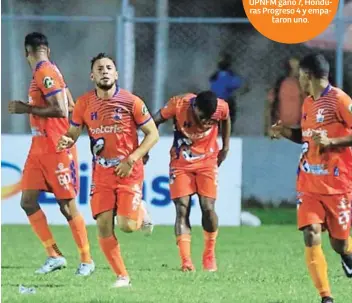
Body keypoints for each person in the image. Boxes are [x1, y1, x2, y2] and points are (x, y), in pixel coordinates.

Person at [57, 53, 159, 287]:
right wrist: (67, 140)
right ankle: (122, 277)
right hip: (101, 172)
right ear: (92, 75)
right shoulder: (83, 103)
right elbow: (74, 131)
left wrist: (132, 159)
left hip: (128, 170)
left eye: (109, 67)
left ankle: (140, 212)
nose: (104, 71)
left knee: (127, 226)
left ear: (116, 74)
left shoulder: (131, 101)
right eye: (99, 68)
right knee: (103, 225)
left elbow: (153, 134)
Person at [7, 32, 95, 276]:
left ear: (27, 53)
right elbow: (71, 102)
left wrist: (26, 108)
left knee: (66, 206)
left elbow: (60, 109)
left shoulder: (44, 72)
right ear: (47, 50)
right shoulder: (51, 70)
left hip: (56, 148)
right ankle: (54, 255)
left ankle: (87, 260)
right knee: (27, 202)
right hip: (39, 148)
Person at [271, 53, 352, 303]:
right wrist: (284, 131)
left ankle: (347, 255)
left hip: (338, 184)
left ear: (308, 75)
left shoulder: (339, 100)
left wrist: (332, 141)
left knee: (339, 243)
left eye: (300, 76)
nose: (299, 81)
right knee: (311, 232)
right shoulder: (308, 103)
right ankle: (326, 297)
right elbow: (305, 137)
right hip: (308, 182)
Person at [145, 91, 231, 272]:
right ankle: (186, 262)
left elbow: (226, 118)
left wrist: (226, 147)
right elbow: (154, 121)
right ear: (195, 107)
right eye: (202, 116)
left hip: (207, 161)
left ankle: (209, 253)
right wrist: (145, 148)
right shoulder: (178, 104)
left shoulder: (220, 107)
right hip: (181, 162)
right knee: (182, 208)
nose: (205, 122)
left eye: (210, 119)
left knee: (208, 208)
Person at [209, 52, 248, 132]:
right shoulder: (230, 76)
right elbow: (238, 85)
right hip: (225, 103)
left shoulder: (215, 76)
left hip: (216, 102)